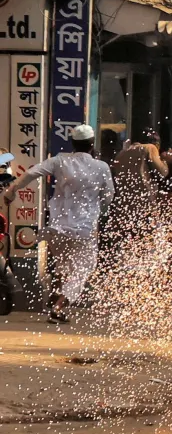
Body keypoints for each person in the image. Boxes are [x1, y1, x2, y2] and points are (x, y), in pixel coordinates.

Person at [4, 125, 113, 323]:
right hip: (84, 230)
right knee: (82, 270)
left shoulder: (59, 161)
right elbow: (108, 197)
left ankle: (56, 297)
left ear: (73, 143)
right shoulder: (101, 167)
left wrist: (11, 191)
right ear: (91, 144)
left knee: (64, 266)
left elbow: (31, 173)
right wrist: (96, 205)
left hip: (57, 227)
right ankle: (58, 306)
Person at [107, 127, 170, 246]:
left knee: (127, 246)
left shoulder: (122, 153)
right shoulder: (149, 148)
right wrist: (166, 160)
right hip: (144, 205)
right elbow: (162, 172)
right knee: (149, 245)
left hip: (124, 208)